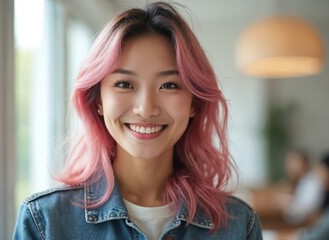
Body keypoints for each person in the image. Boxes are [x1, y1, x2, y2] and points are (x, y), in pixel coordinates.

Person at [13, 2, 262, 239]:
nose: (146, 109)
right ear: (98, 100)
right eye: (124, 84)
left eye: (169, 85)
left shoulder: (239, 224)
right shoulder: (45, 221)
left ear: (194, 103)